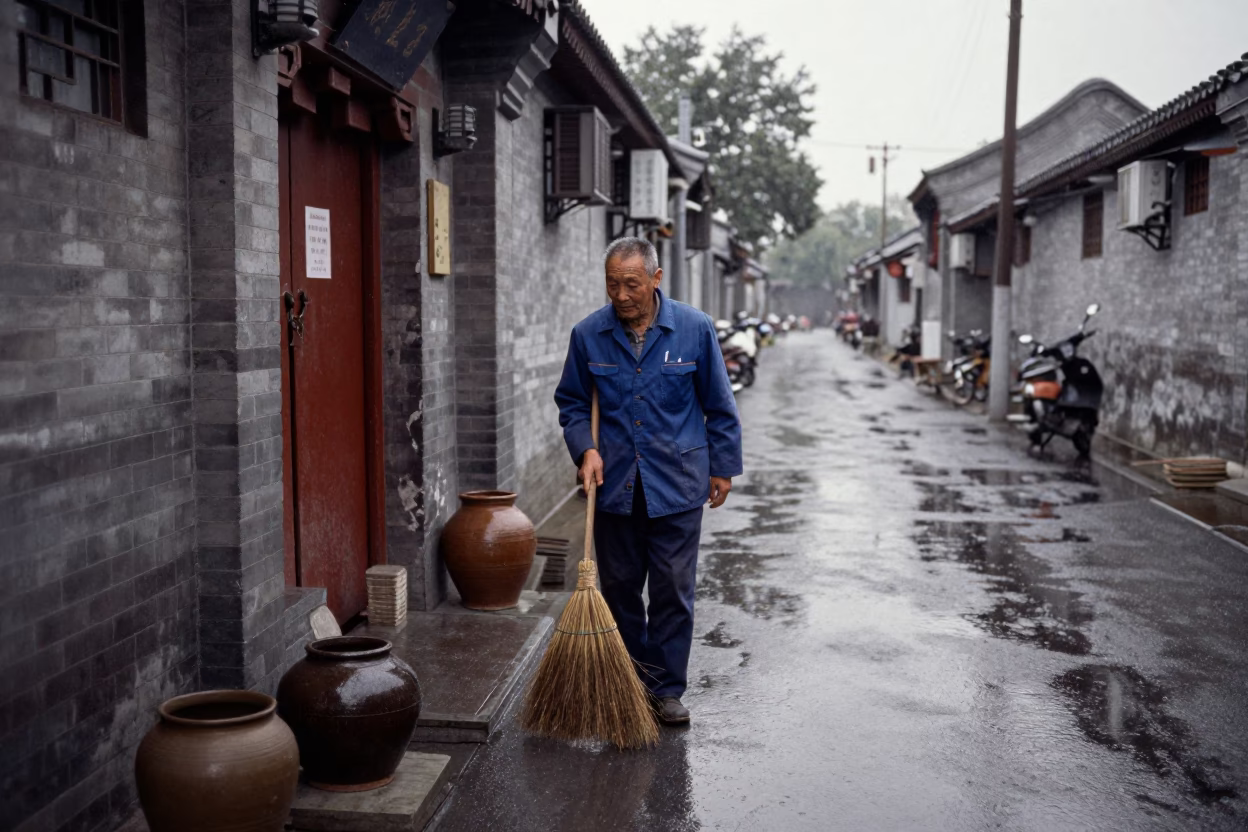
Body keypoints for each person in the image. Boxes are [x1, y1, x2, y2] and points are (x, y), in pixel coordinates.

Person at [554, 237, 743, 725]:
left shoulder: (694, 330)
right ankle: (630, 682)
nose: (621, 295)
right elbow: (572, 402)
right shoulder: (588, 334)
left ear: (656, 279)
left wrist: (722, 466)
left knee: (673, 590)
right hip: (615, 485)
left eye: (631, 284)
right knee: (618, 590)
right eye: (613, 283)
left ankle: (667, 689)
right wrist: (586, 449)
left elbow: (719, 405)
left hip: (678, 483)